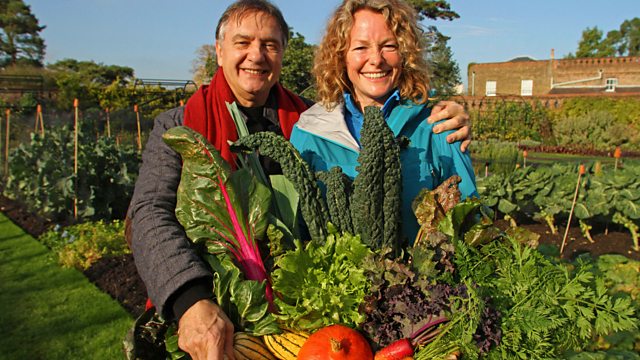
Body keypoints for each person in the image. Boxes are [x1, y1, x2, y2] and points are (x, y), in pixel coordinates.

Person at [126, 0, 472, 359]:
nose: (256, 56)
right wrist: (190, 299)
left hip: (301, 328)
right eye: (243, 43)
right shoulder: (178, 126)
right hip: (213, 320)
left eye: (270, 45)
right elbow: (149, 212)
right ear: (219, 50)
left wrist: (452, 115)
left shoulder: (310, 122)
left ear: (282, 55)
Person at [289, 0, 478, 242]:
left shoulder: (440, 126)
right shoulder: (310, 133)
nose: (376, 60)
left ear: (405, 54)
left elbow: (471, 224)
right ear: (341, 56)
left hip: (425, 279)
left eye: (388, 46)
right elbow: (298, 233)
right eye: (360, 48)